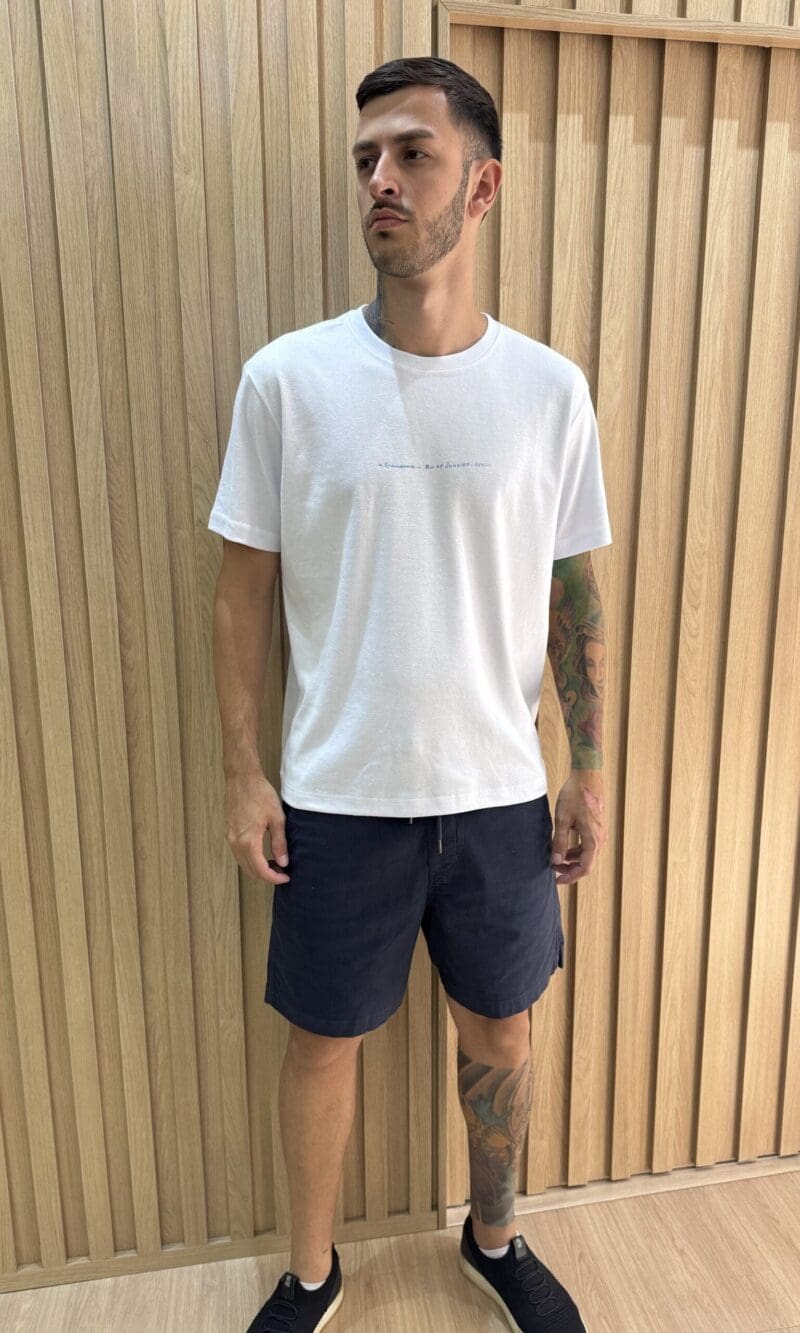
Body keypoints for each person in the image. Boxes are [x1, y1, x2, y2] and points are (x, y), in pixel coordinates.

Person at [209, 55, 611, 1333]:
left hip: (496, 794)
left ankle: (493, 1240)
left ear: (480, 187)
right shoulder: (286, 381)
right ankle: (309, 1273)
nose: (379, 181)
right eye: (365, 159)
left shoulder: (547, 392)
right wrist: (244, 774)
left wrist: (588, 767)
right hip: (337, 795)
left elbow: (572, 591)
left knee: (502, 1036)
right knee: (320, 1043)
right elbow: (240, 595)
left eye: (411, 155)